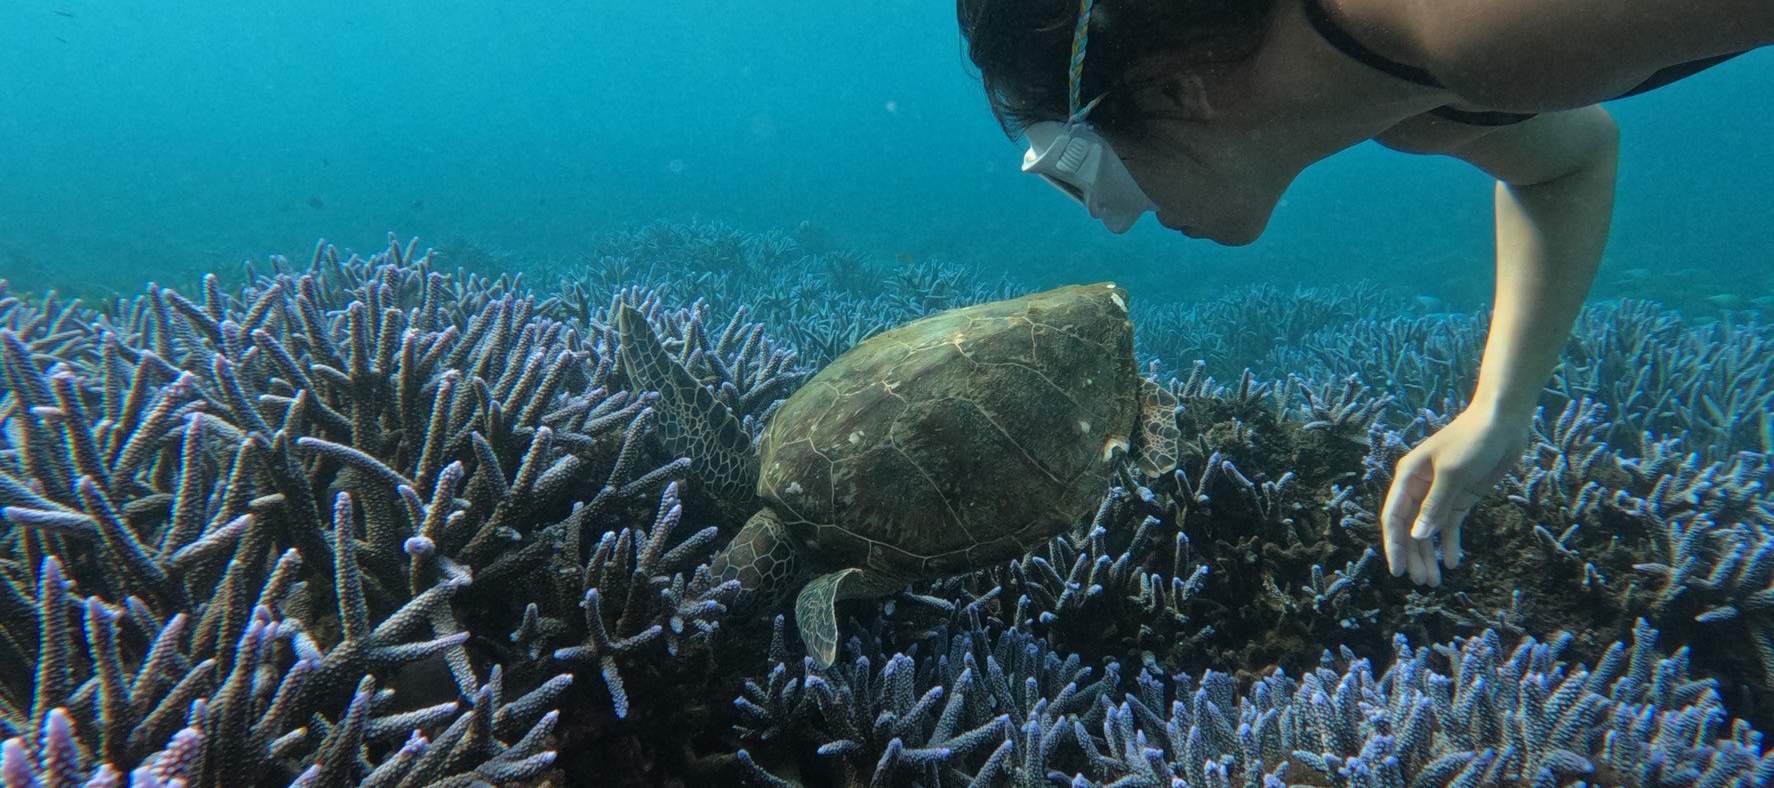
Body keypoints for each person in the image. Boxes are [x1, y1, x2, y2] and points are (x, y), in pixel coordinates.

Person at [958, 0, 1770, 586]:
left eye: (1080, 175)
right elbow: (1572, 157)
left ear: (1172, 89)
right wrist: (1501, 405)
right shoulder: (1419, 108)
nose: (1112, 222)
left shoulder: (1478, 30)